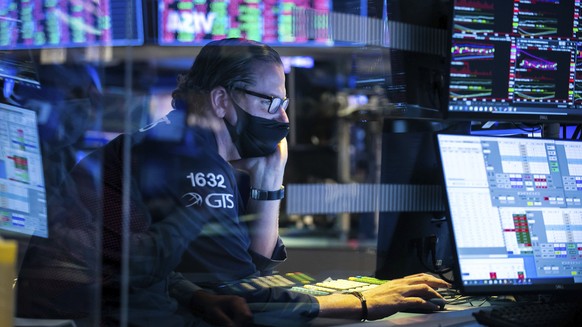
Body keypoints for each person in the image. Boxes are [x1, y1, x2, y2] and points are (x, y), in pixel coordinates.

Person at [17, 38, 450, 327]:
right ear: (222, 100)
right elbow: (240, 296)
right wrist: (362, 303)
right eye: (272, 102)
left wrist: (269, 186)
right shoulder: (186, 158)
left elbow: (241, 280)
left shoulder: (186, 149)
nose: (283, 118)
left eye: (285, 104)